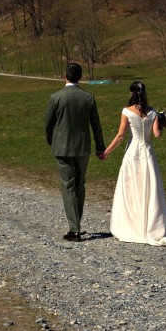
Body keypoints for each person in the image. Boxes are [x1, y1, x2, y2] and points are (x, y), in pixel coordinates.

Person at [104, 81, 166, 247]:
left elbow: (120, 135)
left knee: (132, 187)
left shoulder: (127, 111)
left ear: (131, 93)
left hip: (133, 153)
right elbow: (156, 134)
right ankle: (152, 223)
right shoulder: (153, 111)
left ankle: (133, 224)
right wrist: (164, 124)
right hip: (147, 153)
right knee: (150, 187)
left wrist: (106, 152)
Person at [45, 62, 106, 242]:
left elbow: (48, 124)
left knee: (68, 186)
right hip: (82, 148)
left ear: (65, 75)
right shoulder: (88, 98)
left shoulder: (56, 97)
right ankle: (76, 224)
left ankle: (74, 229)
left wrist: (51, 141)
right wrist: (100, 147)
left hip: (62, 148)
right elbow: (96, 125)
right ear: (80, 77)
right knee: (80, 185)